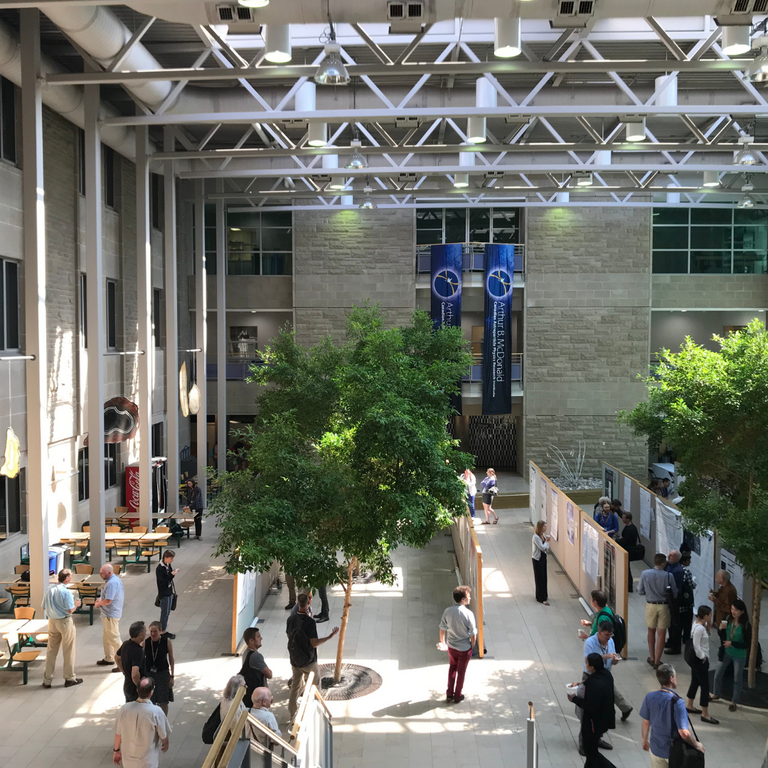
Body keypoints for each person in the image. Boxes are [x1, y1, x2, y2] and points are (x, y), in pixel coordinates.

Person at [286, 593, 339, 721]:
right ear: (308, 603)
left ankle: (292, 715)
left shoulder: (291, 619)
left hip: (295, 659)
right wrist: (329, 637)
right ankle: (316, 712)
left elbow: (289, 636)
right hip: (309, 661)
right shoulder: (310, 622)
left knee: (295, 686)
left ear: (298, 604)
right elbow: (314, 643)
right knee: (315, 685)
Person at [640, 664, 704, 768]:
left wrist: (644, 740)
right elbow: (684, 733)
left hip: (656, 749)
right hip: (674, 752)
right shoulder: (677, 702)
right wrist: (696, 745)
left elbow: (646, 721)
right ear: (671, 679)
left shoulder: (649, 697)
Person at [569, 653, 617, 768]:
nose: (585, 665)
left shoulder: (593, 684)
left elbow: (590, 706)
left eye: (587, 663)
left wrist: (574, 699)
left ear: (592, 667)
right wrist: (580, 684)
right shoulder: (606, 674)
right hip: (606, 718)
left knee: (590, 752)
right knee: (591, 753)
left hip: (593, 723)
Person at [113, 677, 171, 768]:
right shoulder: (156, 711)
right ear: (151, 692)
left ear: (137, 690)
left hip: (128, 761)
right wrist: (165, 743)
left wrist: (116, 751)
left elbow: (118, 734)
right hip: (147, 760)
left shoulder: (125, 709)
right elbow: (163, 734)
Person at [582, 621, 632, 723]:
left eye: (610, 634)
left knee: (611, 691)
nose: (608, 637)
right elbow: (589, 660)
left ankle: (625, 708)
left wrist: (614, 660)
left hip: (605, 673)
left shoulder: (610, 641)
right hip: (591, 674)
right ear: (599, 632)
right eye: (606, 635)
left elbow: (612, 659)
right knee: (587, 694)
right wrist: (606, 656)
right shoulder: (590, 642)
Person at [41, 569, 83, 689]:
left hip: (52, 621)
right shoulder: (66, 592)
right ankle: (69, 678)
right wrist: (77, 604)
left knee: (51, 651)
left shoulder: (49, 589)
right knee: (68, 650)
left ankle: (47, 679)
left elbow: (43, 607)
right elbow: (70, 610)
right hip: (64, 621)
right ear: (67, 578)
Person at [438, 585, 477, 704]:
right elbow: (473, 633)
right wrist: (472, 646)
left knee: (452, 668)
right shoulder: (468, 614)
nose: (470, 598)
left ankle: (449, 693)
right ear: (463, 599)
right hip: (464, 649)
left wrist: (442, 642)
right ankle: (457, 695)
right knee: (461, 672)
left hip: (451, 646)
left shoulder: (448, 611)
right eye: (468, 596)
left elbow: (442, 628)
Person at [637, 554, 678, 668]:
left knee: (651, 631)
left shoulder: (645, 573)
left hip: (650, 605)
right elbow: (674, 593)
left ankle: (652, 657)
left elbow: (640, 591)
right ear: (663, 563)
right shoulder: (668, 576)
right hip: (664, 606)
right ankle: (657, 661)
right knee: (661, 633)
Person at [712, 598, 752, 712]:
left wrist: (732, 643)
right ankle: (715, 693)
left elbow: (746, 644)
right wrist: (720, 630)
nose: (733, 612)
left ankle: (734, 701)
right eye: (732, 609)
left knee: (737, 678)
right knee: (718, 674)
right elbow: (722, 636)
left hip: (739, 655)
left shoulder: (746, 625)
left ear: (742, 612)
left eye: (736, 610)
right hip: (726, 651)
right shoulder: (728, 619)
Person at [686, 605, 718, 724]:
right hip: (700, 660)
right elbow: (696, 645)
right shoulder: (699, 628)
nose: (711, 616)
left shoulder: (698, 625)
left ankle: (689, 704)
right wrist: (703, 657)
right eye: (710, 614)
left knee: (695, 681)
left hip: (696, 660)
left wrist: (708, 628)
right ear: (705, 616)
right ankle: (705, 713)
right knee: (705, 686)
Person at [95, 563, 125, 672]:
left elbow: (108, 600)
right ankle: (109, 658)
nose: (100, 575)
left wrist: (98, 604)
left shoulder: (111, 583)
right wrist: (100, 599)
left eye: (102, 573)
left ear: (109, 572)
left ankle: (123, 663)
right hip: (108, 615)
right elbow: (106, 596)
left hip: (110, 615)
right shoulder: (112, 580)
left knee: (114, 638)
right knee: (107, 638)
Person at [668, 553, 696, 654]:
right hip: (686, 602)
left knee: (676, 623)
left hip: (676, 603)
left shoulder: (672, 569)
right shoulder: (686, 571)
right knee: (687, 622)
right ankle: (686, 639)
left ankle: (674, 640)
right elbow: (691, 585)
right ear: (684, 561)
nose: (690, 562)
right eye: (688, 560)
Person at [144, 621, 174, 715]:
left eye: (155, 631)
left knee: (163, 700)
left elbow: (171, 658)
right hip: (149, 674)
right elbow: (140, 659)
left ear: (161, 631)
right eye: (151, 631)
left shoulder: (166, 641)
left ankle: (164, 719)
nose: (152, 634)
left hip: (162, 673)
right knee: (150, 699)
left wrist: (172, 676)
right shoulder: (146, 642)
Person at [240, 626, 273, 707]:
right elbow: (269, 674)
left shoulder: (246, 653)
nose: (261, 638)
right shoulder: (256, 656)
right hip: (259, 696)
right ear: (251, 641)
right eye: (258, 636)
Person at [708, 570, 737, 660]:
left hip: (725, 619)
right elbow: (721, 598)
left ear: (723, 579)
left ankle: (726, 657)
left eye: (718, 577)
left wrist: (714, 600)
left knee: (724, 637)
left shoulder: (729, 590)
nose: (716, 578)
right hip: (720, 618)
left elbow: (728, 608)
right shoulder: (723, 588)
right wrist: (715, 594)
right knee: (721, 636)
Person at [116, 621, 148, 702]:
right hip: (135, 690)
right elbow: (134, 674)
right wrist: (140, 687)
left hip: (127, 685)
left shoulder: (126, 644)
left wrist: (124, 672)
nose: (146, 633)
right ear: (140, 634)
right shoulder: (138, 651)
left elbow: (117, 657)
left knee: (129, 707)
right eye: (145, 631)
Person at [155, 550, 178, 640]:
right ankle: (162, 631)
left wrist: (172, 573)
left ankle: (163, 629)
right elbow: (162, 582)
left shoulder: (167, 565)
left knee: (167, 612)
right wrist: (171, 575)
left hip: (169, 592)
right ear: (166, 558)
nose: (172, 560)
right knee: (164, 613)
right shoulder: (160, 568)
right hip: (164, 594)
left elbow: (169, 577)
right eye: (171, 558)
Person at [616, 512, 640, 591]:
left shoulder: (629, 529)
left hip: (628, 550)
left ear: (628, 519)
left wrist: (617, 541)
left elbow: (625, 541)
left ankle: (628, 585)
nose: (622, 519)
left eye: (623, 518)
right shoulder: (632, 527)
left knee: (626, 569)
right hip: (628, 549)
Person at [531, 520, 551, 606]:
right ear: (540, 527)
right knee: (539, 578)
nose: (545, 528)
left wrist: (546, 542)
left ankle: (544, 595)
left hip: (543, 558)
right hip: (537, 559)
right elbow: (542, 547)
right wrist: (546, 542)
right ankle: (541, 597)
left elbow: (546, 547)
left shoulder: (543, 535)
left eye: (546, 526)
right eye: (544, 527)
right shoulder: (536, 537)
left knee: (544, 577)